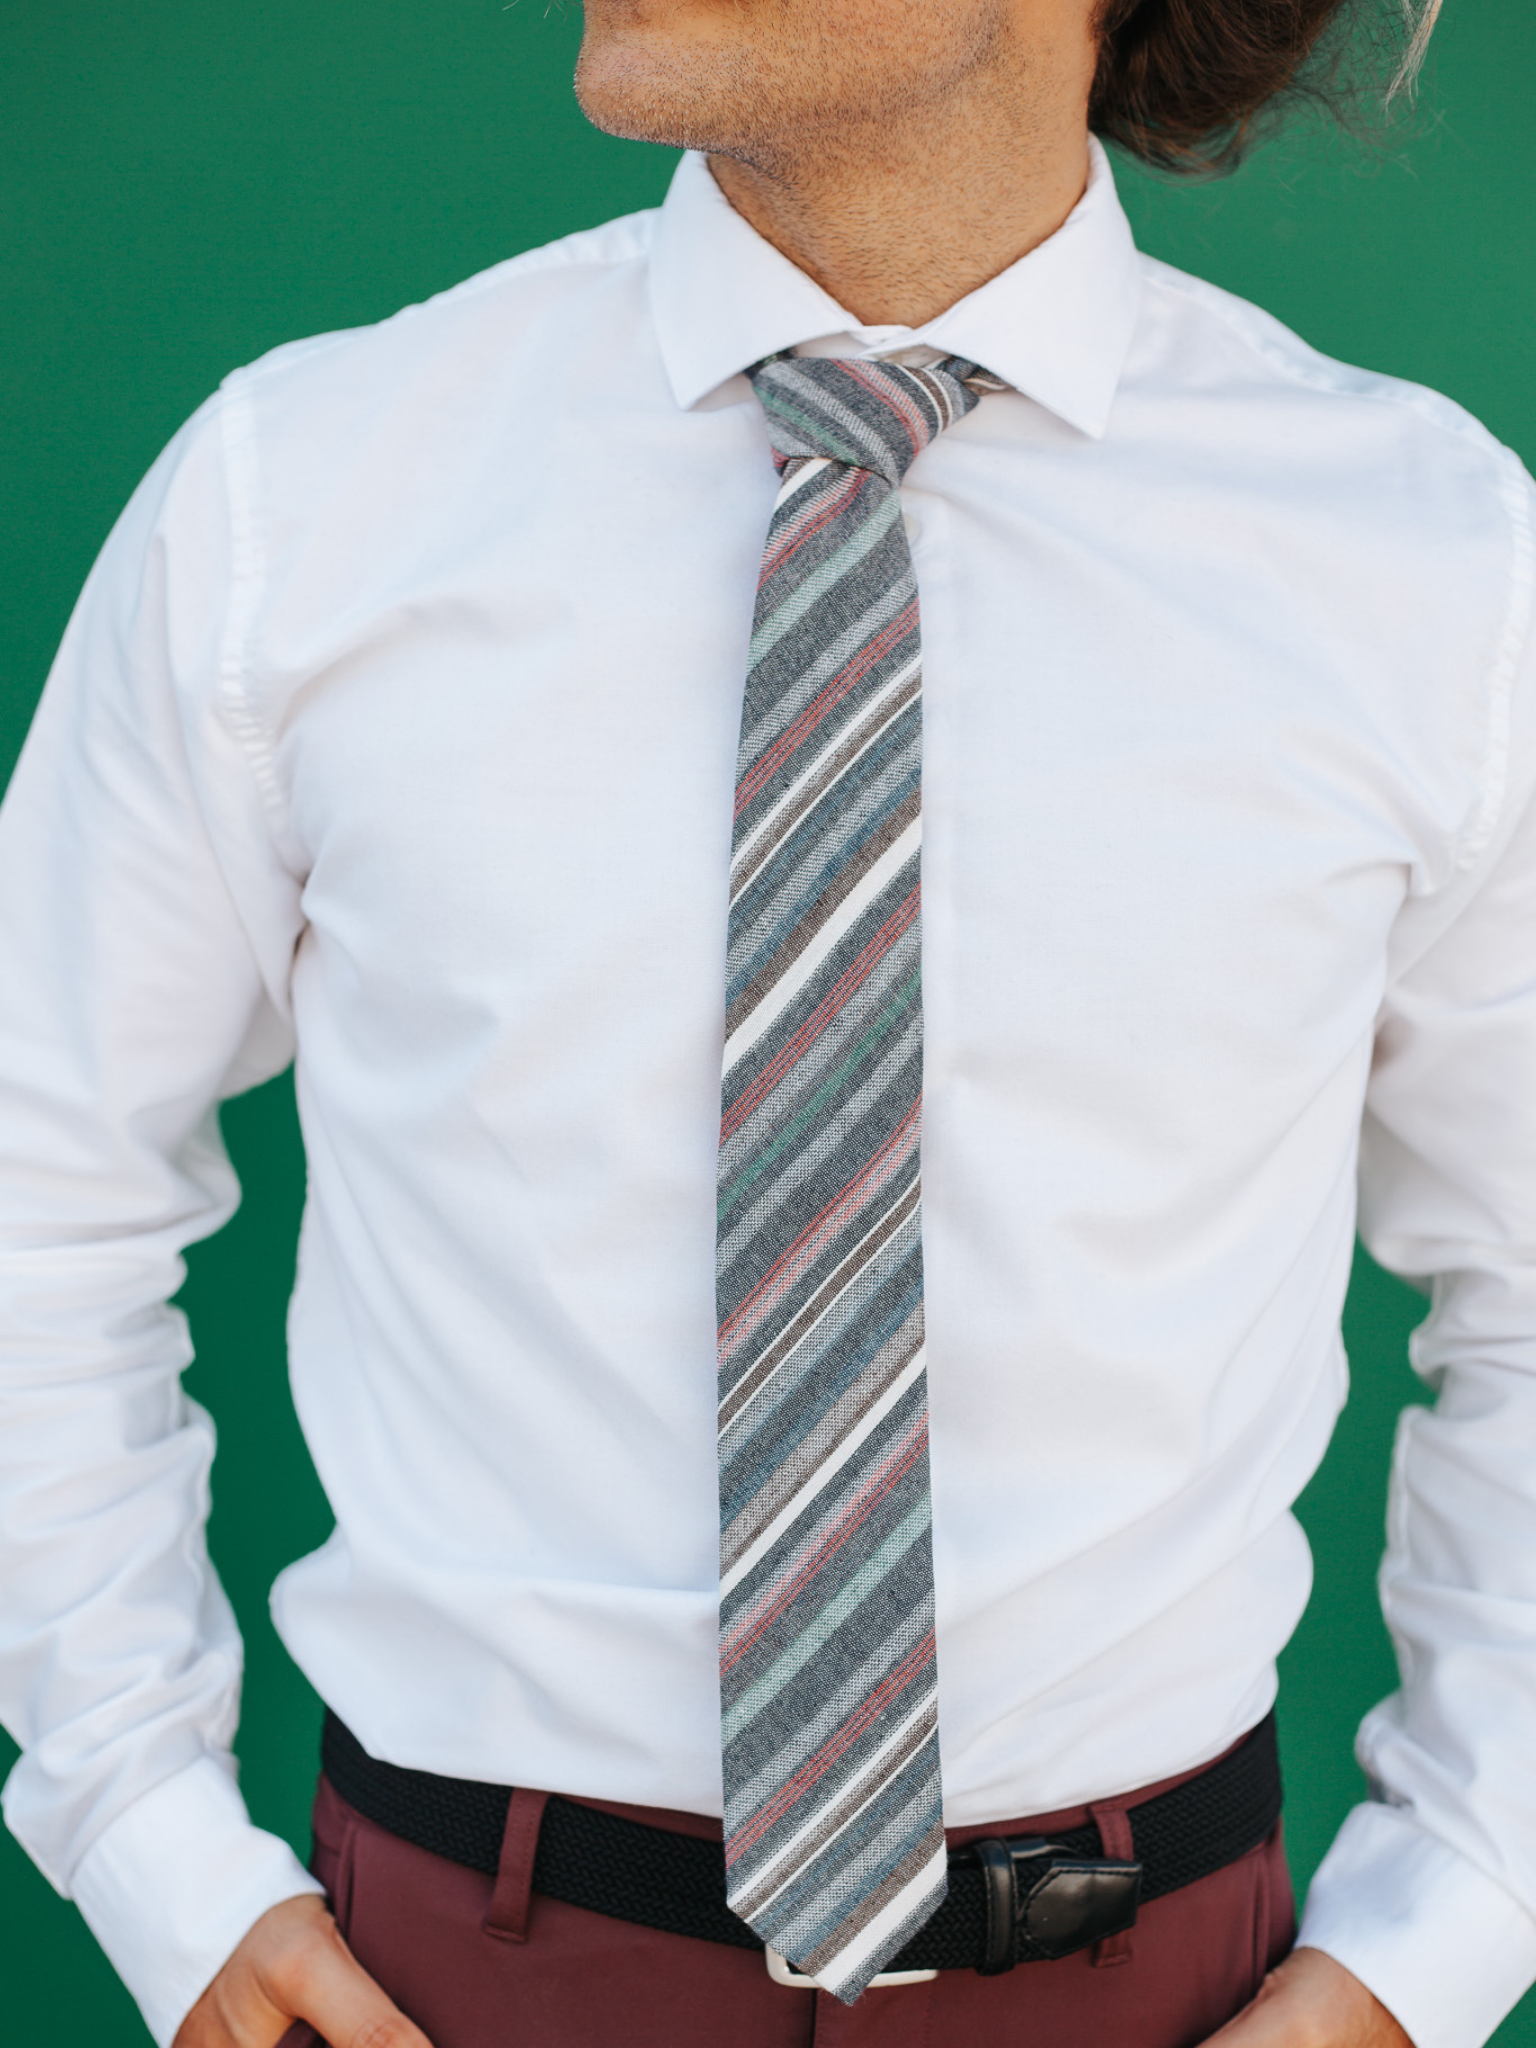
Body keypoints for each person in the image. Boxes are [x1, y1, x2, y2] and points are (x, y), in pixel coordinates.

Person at [4, 0, 1533, 2041]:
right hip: (450, 1977)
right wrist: (150, 1845)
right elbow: (39, 1184)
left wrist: (1437, 1939)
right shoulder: (305, 497)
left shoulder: (1423, 565)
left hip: (1163, 1983)